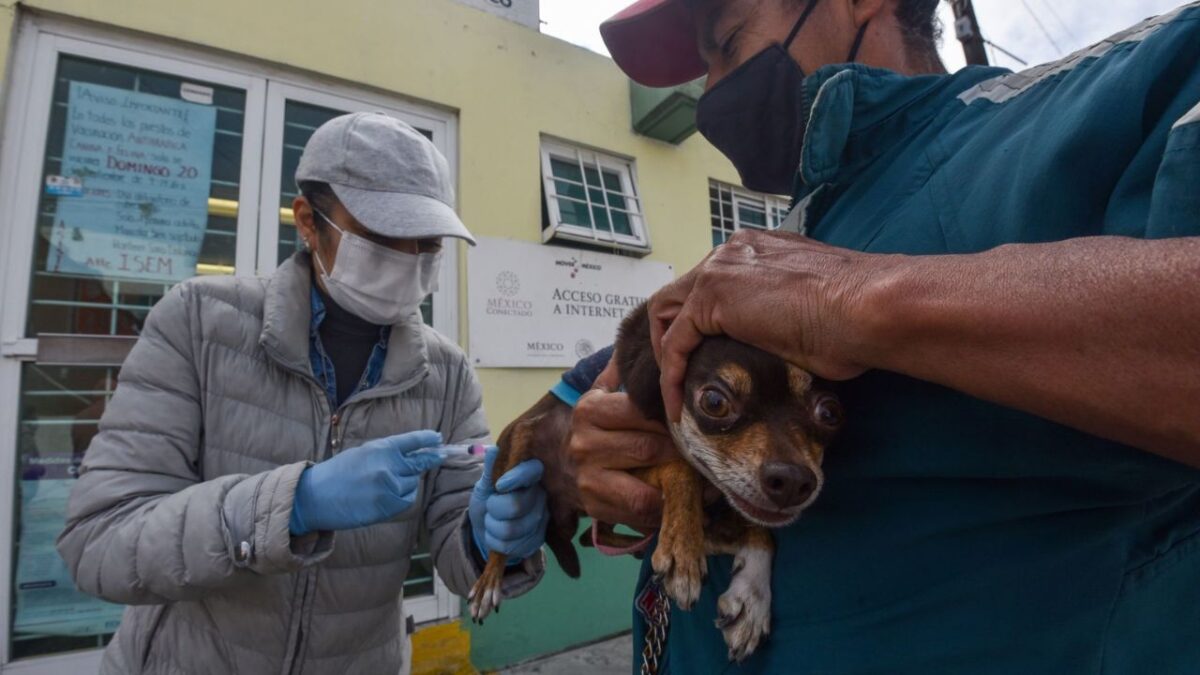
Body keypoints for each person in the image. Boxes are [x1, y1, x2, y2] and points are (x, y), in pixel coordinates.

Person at [560, 0, 1200, 672]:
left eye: (727, 43)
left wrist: (862, 300)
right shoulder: (788, 237)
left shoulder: (1124, 97)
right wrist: (638, 460)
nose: (712, 92)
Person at [56, 113, 549, 675]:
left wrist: (490, 540)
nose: (410, 256)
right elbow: (99, 544)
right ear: (308, 222)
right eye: (383, 235)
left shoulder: (448, 372)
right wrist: (294, 504)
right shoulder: (199, 324)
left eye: (428, 242)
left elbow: (459, 559)